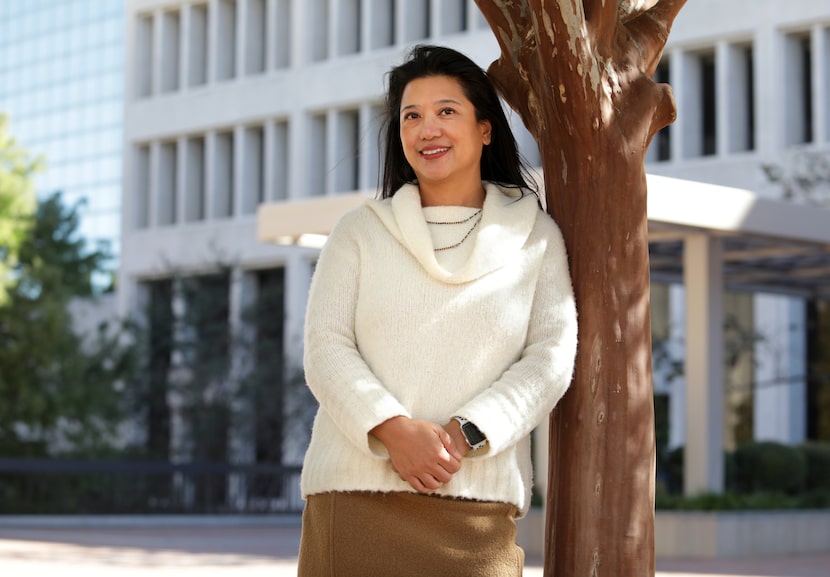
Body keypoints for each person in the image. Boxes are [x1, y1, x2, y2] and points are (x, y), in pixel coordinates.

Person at [297, 45, 578, 576]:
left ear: (485, 128)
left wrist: (463, 434)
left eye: (447, 111)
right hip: (355, 505)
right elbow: (326, 348)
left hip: (477, 514)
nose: (428, 129)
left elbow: (550, 359)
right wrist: (394, 431)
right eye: (412, 116)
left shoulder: (535, 237)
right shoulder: (359, 231)